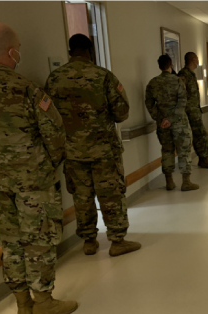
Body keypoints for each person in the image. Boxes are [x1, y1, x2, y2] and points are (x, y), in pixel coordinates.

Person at [0, 22, 77, 314]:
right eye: (18, 47)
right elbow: (55, 134)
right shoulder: (27, 89)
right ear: (12, 51)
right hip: (34, 180)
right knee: (39, 241)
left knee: (10, 243)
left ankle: (22, 305)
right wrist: (47, 164)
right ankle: (43, 302)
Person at [45, 34, 141, 258]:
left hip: (72, 151)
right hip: (103, 150)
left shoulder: (54, 79)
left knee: (82, 196)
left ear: (70, 51)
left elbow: (47, 116)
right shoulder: (103, 76)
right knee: (111, 194)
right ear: (90, 51)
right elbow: (122, 113)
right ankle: (117, 240)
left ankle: (89, 240)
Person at [145, 54, 199, 191]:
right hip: (179, 122)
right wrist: (172, 119)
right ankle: (186, 182)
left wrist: (160, 118)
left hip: (162, 125)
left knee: (167, 151)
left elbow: (149, 103)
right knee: (184, 151)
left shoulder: (152, 83)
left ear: (159, 66)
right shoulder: (178, 81)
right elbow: (182, 102)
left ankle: (169, 181)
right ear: (171, 65)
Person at [178, 52, 208, 169]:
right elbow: (180, 93)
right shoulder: (184, 74)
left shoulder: (191, 74)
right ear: (194, 60)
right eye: (197, 59)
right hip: (189, 111)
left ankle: (203, 158)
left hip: (194, 110)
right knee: (200, 134)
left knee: (200, 134)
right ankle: (204, 159)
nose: (198, 61)